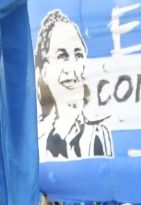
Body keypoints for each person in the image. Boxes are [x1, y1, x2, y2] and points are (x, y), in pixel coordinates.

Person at [35, 10, 112, 159]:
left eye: (78, 55)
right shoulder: (35, 139)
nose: (73, 67)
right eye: (62, 56)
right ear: (45, 71)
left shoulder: (97, 135)